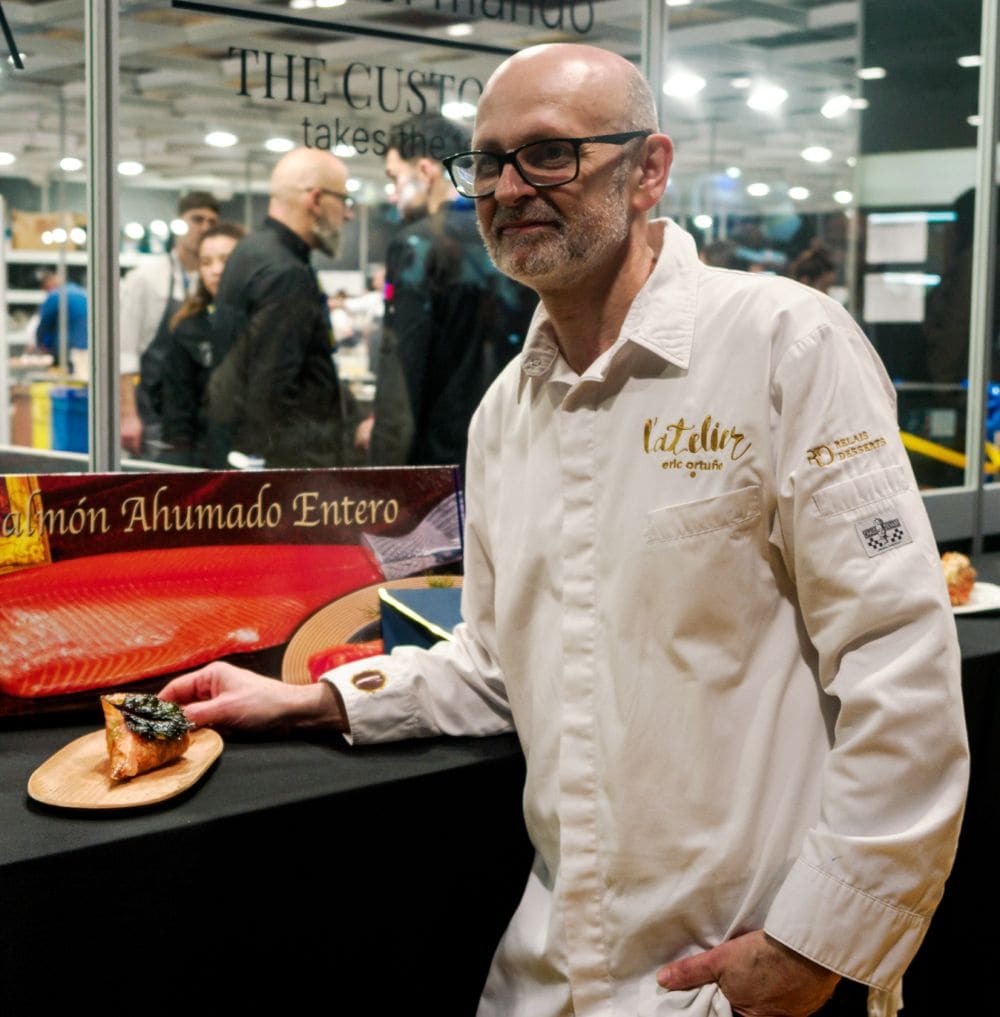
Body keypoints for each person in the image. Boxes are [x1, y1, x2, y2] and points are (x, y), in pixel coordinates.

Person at [162, 44, 968, 1017]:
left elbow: (899, 662)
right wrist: (314, 703)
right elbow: (498, 664)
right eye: (489, 161)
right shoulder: (506, 413)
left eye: (549, 154)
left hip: (732, 968)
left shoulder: (783, 346)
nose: (508, 187)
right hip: (546, 974)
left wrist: (818, 941)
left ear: (649, 171)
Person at [364, 113, 537, 468]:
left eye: (396, 178)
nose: (393, 193)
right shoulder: (510, 234)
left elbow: (403, 365)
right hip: (516, 444)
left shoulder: (417, 244)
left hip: (440, 456)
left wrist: (384, 478)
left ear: (426, 171)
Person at [205, 147, 355, 468]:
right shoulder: (287, 273)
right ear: (315, 200)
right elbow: (270, 388)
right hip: (291, 473)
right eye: (344, 200)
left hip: (246, 457)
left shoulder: (249, 251)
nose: (348, 213)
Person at [119, 191, 220, 457]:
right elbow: (125, 352)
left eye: (212, 223)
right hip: (153, 412)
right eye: (197, 219)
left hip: (198, 417)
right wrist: (128, 415)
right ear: (179, 222)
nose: (204, 228)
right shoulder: (145, 277)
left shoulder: (213, 281)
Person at [159, 222, 245, 468]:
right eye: (206, 263)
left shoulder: (266, 321)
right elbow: (177, 409)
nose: (216, 270)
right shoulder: (188, 327)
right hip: (205, 459)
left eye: (225, 260)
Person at [34, 269, 87, 376]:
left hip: (68, 349)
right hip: (88, 347)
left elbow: (44, 325)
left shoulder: (55, 296)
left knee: (64, 379)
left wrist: (41, 344)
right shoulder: (80, 292)